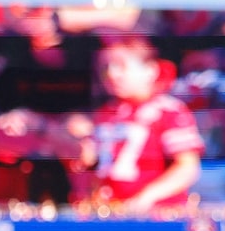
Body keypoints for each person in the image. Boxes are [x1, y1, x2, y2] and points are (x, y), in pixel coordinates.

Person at [83, 33, 203, 213]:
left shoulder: (168, 111)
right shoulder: (106, 113)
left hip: (158, 217)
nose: (112, 74)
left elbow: (187, 166)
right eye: (106, 67)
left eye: (121, 66)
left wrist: (147, 197)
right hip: (112, 212)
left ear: (150, 70)